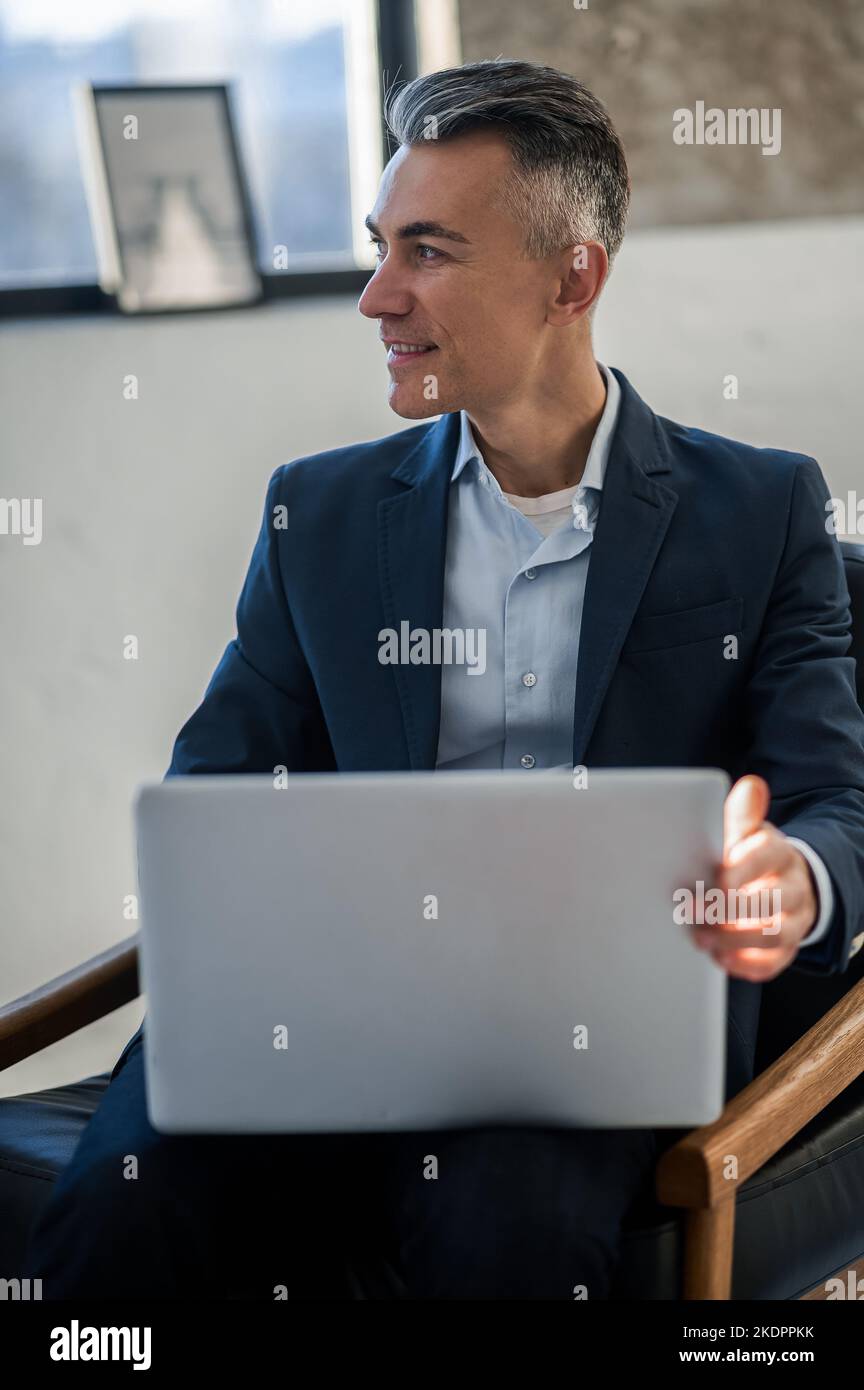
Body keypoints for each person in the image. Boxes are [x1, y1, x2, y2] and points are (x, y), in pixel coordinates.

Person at [25, 59, 864, 1300]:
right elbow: (216, 790)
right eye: (378, 246)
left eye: (427, 251)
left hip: (588, 1033)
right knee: (121, 1211)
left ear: (572, 277)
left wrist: (788, 884)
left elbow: (833, 805)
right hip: (319, 1002)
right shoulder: (322, 510)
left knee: (505, 1233)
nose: (376, 296)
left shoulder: (758, 509)